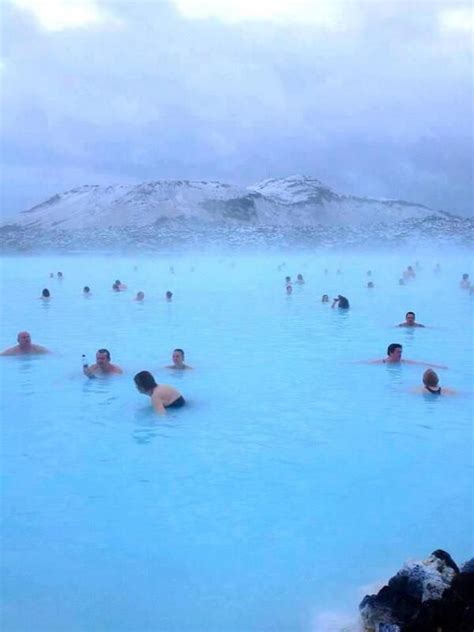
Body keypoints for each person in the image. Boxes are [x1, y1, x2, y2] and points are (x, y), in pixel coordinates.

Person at [367, 343, 447, 367]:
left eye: (401, 352)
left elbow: (420, 364)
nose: (400, 354)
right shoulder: (382, 362)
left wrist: (439, 366)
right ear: (391, 352)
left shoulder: (403, 361)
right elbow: (367, 363)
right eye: (398, 352)